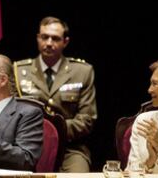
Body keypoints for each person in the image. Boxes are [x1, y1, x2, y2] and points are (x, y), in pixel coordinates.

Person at [13, 16, 97, 172]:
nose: (49, 43)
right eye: (45, 37)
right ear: (38, 38)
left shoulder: (82, 72)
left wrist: (54, 131)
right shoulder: (18, 71)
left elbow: (87, 120)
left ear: (65, 42)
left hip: (70, 148)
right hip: (28, 145)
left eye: (55, 39)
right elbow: (12, 115)